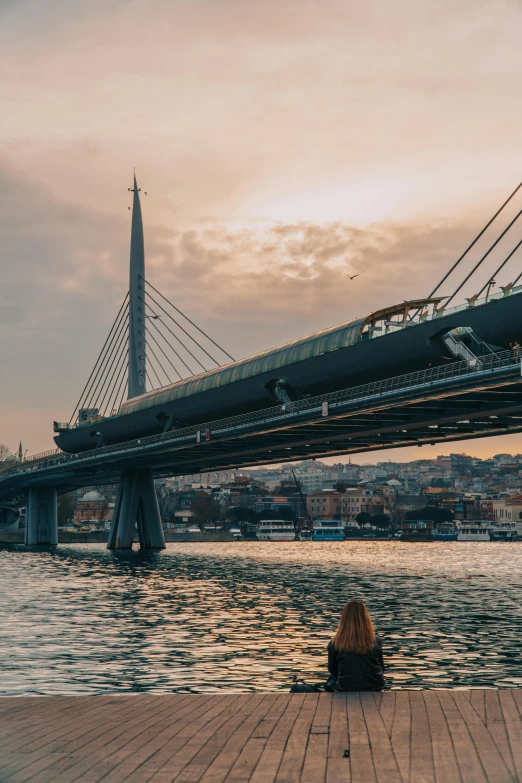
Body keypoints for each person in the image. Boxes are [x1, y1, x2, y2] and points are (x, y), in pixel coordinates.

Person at [326, 600, 385, 692]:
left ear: (344, 619)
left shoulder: (335, 643)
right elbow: (381, 668)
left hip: (346, 687)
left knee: (330, 681)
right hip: (375, 686)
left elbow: (332, 670)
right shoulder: (376, 641)